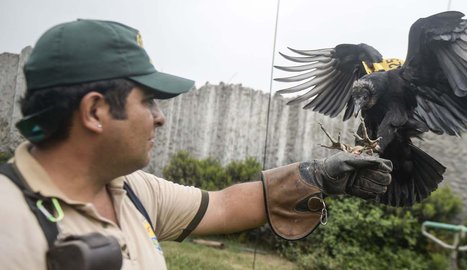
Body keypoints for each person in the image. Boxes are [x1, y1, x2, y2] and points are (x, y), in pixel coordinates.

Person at [0, 19, 392, 270]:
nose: (160, 116)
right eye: (147, 101)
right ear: (95, 111)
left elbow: (221, 206)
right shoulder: (9, 221)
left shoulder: (134, 191)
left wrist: (319, 177)